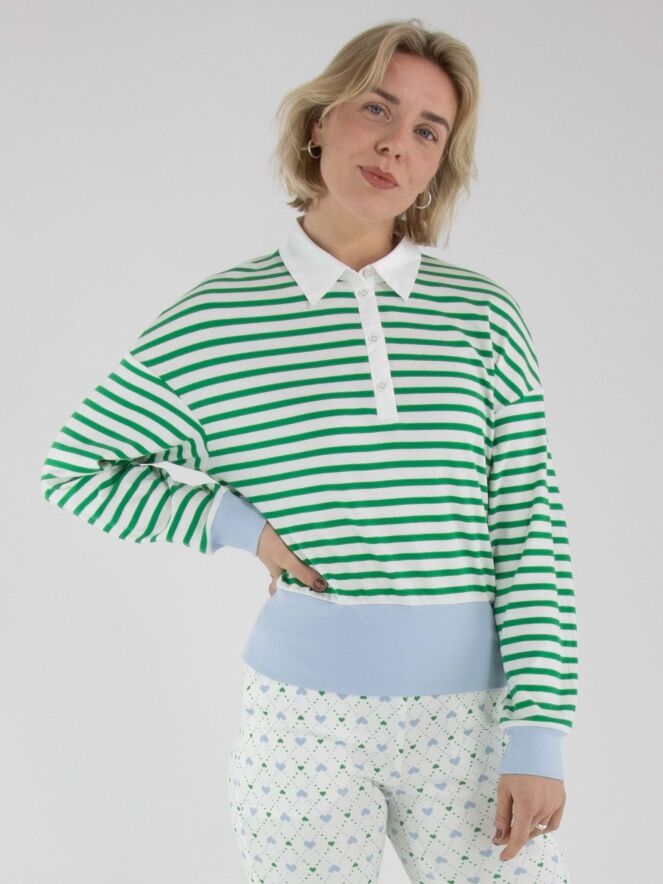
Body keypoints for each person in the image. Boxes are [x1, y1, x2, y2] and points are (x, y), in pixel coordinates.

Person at [40, 17, 578, 883]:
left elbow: (529, 529)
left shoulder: (480, 315)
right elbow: (76, 470)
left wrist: (539, 735)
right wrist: (237, 527)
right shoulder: (217, 321)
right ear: (322, 119)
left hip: (476, 721)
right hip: (303, 725)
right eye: (376, 108)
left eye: (427, 131)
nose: (395, 144)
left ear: (439, 163)